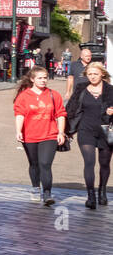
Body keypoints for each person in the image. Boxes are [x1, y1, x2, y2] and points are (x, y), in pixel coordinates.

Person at [13, 67, 66, 207]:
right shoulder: (24, 96)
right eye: (40, 78)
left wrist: (61, 132)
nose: (43, 80)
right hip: (29, 135)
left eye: (45, 77)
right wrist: (18, 130)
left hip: (49, 134)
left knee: (45, 164)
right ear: (32, 79)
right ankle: (36, 188)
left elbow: (61, 114)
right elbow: (19, 114)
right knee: (34, 164)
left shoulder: (53, 95)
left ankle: (47, 193)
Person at [65, 61, 113, 209]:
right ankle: (90, 195)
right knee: (89, 162)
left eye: (95, 74)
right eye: (89, 74)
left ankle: (102, 191)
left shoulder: (111, 90)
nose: (92, 77)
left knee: (104, 163)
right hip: (86, 131)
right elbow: (71, 108)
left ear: (102, 74)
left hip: (106, 131)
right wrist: (67, 129)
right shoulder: (81, 88)